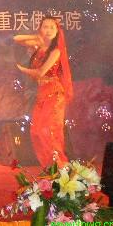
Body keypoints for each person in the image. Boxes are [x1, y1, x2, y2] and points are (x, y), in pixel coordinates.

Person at [15, 16, 73, 167]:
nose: (48, 30)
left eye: (52, 27)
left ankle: (59, 166)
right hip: (42, 94)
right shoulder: (38, 46)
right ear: (40, 29)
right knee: (36, 132)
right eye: (45, 27)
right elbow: (17, 38)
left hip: (55, 93)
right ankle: (49, 166)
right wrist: (37, 37)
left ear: (57, 31)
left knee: (50, 131)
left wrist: (23, 69)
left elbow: (40, 72)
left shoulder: (56, 51)